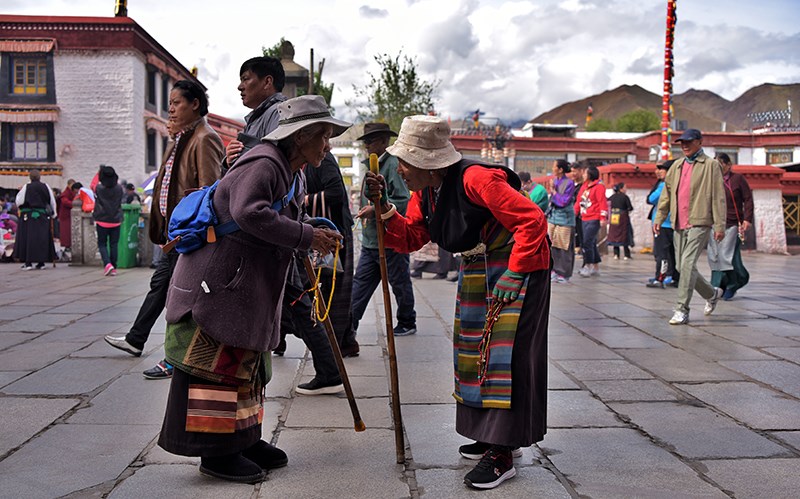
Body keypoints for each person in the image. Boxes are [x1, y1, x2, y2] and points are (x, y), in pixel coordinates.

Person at [157, 94, 347, 484]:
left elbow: (277, 214)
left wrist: (312, 227)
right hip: (222, 283)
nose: (327, 146)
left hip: (243, 286)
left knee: (246, 365)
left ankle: (243, 438)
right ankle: (216, 452)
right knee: (218, 367)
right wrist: (306, 236)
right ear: (301, 136)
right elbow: (248, 212)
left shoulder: (290, 171)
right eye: (323, 137)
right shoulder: (264, 162)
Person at [365, 116, 550, 490]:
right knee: (473, 350)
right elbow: (413, 236)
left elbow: (532, 220)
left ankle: (502, 452)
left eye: (405, 162)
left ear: (426, 162)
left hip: (517, 266)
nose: (399, 169)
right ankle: (489, 433)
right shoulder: (426, 192)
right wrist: (384, 208)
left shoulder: (477, 179)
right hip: (479, 267)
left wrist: (516, 272)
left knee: (504, 356)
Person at [104, 80, 224, 378]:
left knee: (180, 296)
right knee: (162, 287)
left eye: (176, 102)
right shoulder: (182, 138)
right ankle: (137, 338)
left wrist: (193, 227)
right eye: (169, 103)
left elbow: (210, 191)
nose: (170, 109)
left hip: (189, 234)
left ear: (194, 104)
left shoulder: (204, 138)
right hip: (175, 233)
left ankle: (174, 358)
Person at [349, 122, 417, 357]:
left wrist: (376, 209)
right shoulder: (370, 165)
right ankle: (349, 327)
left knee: (399, 283)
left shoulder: (392, 166)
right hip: (370, 240)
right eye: (366, 141)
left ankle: (407, 320)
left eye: (372, 141)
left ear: (383, 142)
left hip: (390, 238)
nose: (367, 146)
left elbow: (403, 201)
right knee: (360, 285)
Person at [654, 128, 726, 325]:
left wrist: (720, 225)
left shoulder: (711, 166)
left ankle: (681, 309)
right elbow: (666, 196)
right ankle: (711, 294)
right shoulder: (676, 166)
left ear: (699, 142)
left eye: (689, 141)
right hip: (678, 222)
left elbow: (719, 197)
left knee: (686, 264)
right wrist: (659, 217)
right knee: (681, 266)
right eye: (681, 142)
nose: (684, 145)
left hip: (700, 221)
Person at [222, 56, 287, 173]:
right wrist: (230, 159)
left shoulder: (278, 113)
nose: (240, 87)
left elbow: (272, 165)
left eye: (245, 79)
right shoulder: (257, 117)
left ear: (267, 82)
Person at [707, 153, 753, 301]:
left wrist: (747, 219)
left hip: (733, 222)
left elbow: (747, 199)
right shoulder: (711, 180)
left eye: (720, 165)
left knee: (729, 257)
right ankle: (718, 285)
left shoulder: (738, 179)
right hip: (714, 222)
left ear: (728, 165)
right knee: (715, 255)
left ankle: (734, 282)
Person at [13, 169, 57, 270]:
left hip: (28, 217)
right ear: (39, 177)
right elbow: (52, 201)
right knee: (41, 239)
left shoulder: (26, 186)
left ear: (30, 177)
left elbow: (19, 201)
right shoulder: (46, 186)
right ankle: (41, 263)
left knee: (28, 239)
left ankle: (28, 263)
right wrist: (54, 214)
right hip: (42, 217)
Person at [574, 165, 607, 277]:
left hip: (594, 218)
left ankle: (588, 265)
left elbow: (602, 202)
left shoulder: (599, 187)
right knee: (591, 242)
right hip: (584, 217)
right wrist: (574, 213)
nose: (583, 175)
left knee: (587, 242)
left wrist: (603, 218)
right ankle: (596, 266)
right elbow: (578, 201)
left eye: (585, 173)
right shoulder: (584, 186)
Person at [546, 159, 576, 283]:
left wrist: (553, 191)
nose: (552, 169)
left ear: (560, 169)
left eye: (554, 166)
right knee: (553, 245)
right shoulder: (555, 181)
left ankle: (564, 273)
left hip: (565, 219)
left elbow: (563, 201)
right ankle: (554, 270)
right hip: (553, 218)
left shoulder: (569, 183)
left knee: (564, 247)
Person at [93, 165, 124, 276]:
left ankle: (107, 264)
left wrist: (98, 173)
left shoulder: (99, 188)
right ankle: (114, 267)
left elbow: (93, 184)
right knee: (114, 244)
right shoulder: (119, 188)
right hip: (116, 219)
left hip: (102, 220)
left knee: (102, 244)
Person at [607, 182, 634, 260]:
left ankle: (616, 254)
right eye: (625, 187)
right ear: (621, 189)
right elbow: (630, 208)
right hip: (623, 218)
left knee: (615, 234)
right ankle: (626, 255)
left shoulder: (612, 197)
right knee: (624, 234)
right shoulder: (625, 197)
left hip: (614, 217)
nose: (626, 189)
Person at [58, 179, 78, 257]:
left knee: (70, 231)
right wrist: (74, 204)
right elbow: (65, 202)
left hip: (71, 214)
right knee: (66, 231)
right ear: (68, 185)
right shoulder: (65, 193)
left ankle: (71, 245)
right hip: (65, 215)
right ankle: (67, 246)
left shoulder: (73, 192)